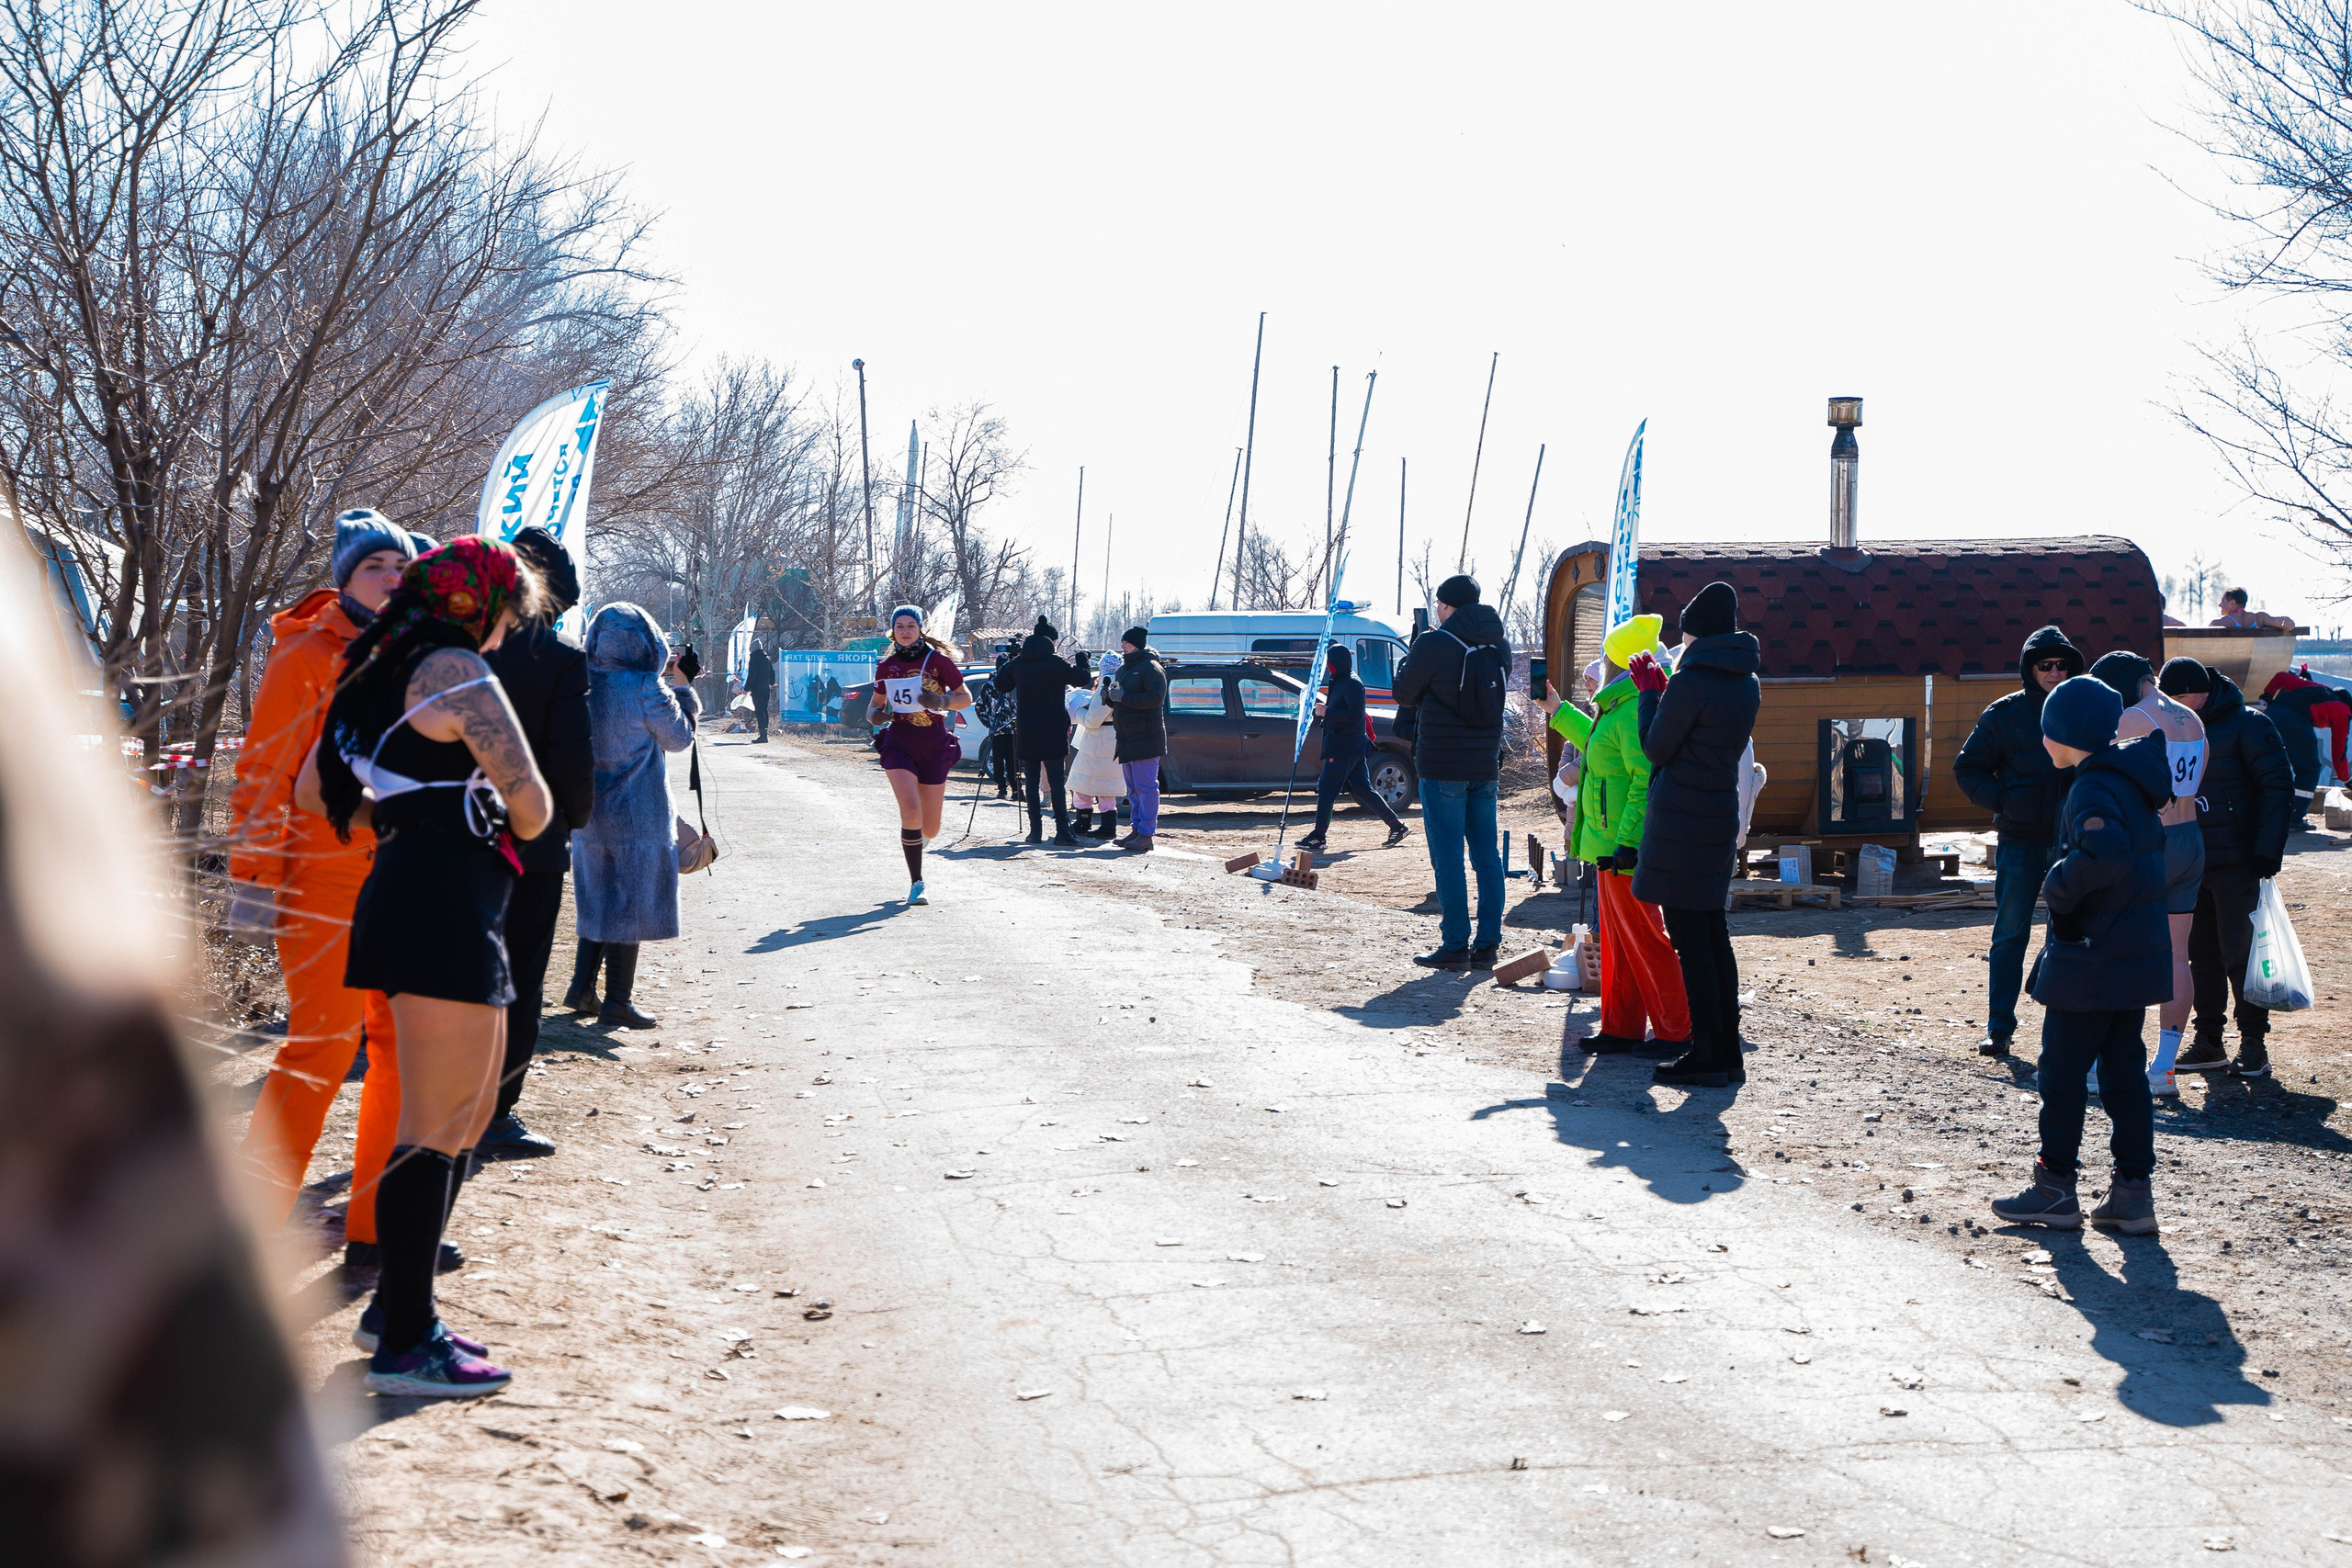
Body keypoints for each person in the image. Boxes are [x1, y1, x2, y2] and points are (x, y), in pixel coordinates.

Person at [299, 536, 554, 1396]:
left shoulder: (372, 672)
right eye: (507, 619)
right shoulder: (453, 671)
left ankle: (399, 1309)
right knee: (441, 1119)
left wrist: (407, 814)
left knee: (462, 1109)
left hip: (417, 891)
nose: (503, 637)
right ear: (479, 604)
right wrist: (450, 815)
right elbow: (534, 808)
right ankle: (407, 1336)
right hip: (444, 901)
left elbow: (312, 793)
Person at [226, 509, 421, 1267]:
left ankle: (375, 1229)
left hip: (401, 880)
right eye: (377, 566)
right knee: (320, 1052)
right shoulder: (305, 654)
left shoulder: (418, 654)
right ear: (345, 577)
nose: (392, 578)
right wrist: (253, 877)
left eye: (402, 567)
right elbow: (266, 774)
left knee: (400, 1053)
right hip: (322, 885)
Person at [1989, 675, 2170, 1235]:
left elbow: (2106, 856)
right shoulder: (2127, 779)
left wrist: (2056, 884)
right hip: (2132, 951)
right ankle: (2132, 1195)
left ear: (2066, 734)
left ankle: (2055, 1187)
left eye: (2049, 727)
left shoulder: (2093, 787)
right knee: (2124, 1074)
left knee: (2062, 1074)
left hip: (2092, 954)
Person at [477, 526, 594, 1160]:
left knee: (459, 975)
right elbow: (573, 762)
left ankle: (447, 1111)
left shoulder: (458, 648)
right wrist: (569, 820)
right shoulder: (560, 659)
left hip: (455, 834)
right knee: (520, 975)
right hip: (535, 841)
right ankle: (496, 1115)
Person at [1631, 581, 1762, 1087]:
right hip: (1716, 817)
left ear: (1696, 634)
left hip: (1681, 822)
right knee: (1712, 937)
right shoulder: (1744, 681)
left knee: (1691, 943)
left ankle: (1706, 1055)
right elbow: (1699, 737)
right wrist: (1667, 694)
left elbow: (1657, 748)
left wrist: (1650, 697)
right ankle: (1727, 1054)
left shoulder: (1692, 681)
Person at [1544, 616, 1690, 1055]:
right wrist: (1557, 709)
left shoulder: (1629, 709)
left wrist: (1627, 842)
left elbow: (1645, 780)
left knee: (1645, 938)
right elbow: (1597, 744)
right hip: (1611, 845)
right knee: (1620, 941)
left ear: (1613, 662)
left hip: (1622, 848)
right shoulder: (1622, 705)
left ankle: (1675, 1029)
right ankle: (1621, 1027)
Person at [563, 606, 701, 1024]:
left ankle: (581, 987)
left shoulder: (578, 682)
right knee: (632, 904)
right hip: (638, 815)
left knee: (598, 898)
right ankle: (618, 1001)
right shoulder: (645, 686)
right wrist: (683, 688)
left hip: (589, 812)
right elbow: (679, 739)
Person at [1951, 626, 2085, 1057]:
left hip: (2073, 844)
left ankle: (2061, 1034)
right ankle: (1999, 1028)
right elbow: (1967, 769)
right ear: (2030, 667)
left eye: (2062, 664)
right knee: (2010, 935)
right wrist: (2005, 802)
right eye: (2045, 664)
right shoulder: (2003, 714)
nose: (2054, 672)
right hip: (2020, 841)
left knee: (2068, 937)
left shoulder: (2085, 711)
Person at [2162, 660, 2295, 1078]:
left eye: (2186, 697)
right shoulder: (2170, 727)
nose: (2181, 706)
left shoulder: (2248, 725)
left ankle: (2254, 1043)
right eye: (2173, 699)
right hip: (2189, 861)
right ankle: (2209, 1041)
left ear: (2205, 690)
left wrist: (2266, 851)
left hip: (2237, 860)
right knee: (2199, 956)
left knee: (2242, 954)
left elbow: (2278, 786)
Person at [2090, 651, 2204, 1100]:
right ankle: (2165, 1068)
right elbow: (2194, 786)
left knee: (2119, 947)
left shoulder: (2130, 721)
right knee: (2178, 955)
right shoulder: (2193, 720)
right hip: (2191, 839)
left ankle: (2107, 1065)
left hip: (2151, 843)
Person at [1391, 574, 1510, 968]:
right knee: (1487, 857)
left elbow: (1403, 692)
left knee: (1448, 858)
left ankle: (1456, 944)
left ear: (1445, 606)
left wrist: (1414, 652)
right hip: (1485, 766)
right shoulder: (1499, 645)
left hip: (1442, 767)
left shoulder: (1433, 643)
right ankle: (1488, 944)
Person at [865, 605, 973, 902]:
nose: (905, 631)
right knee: (910, 811)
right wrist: (876, 716)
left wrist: (939, 700)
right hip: (899, 742)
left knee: (932, 828)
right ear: (893, 631)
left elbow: (965, 698)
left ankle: (920, 836)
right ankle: (917, 883)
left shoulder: (938, 662)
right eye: (899, 626)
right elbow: (874, 705)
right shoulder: (887, 665)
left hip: (934, 743)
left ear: (920, 629)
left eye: (910, 625)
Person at [1297, 643, 1408, 852]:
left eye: (1329, 664)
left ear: (1336, 664)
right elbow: (1340, 711)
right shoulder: (1340, 680)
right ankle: (1397, 826)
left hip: (1345, 747)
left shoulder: (1352, 684)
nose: (1328, 668)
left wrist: (1327, 713)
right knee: (1363, 789)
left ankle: (1319, 836)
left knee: (1326, 789)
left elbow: (1355, 716)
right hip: (1349, 745)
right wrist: (1322, 717)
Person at [1004, 616, 1090, 845]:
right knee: (1056, 780)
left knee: (1031, 780)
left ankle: (1035, 832)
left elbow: (1001, 685)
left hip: (1027, 729)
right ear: (1052, 640)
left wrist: (1008, 661)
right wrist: (1082, 660)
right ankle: (1063, 831)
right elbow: (1082, 679)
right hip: (1053, 728)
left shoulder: (1018, 663)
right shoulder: (1057, 663)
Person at [2259, 666, 2349, 822]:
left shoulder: (2315, 687)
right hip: (2294, 721)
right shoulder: (2343, 711)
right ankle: (2295, 816)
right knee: (2310, 769)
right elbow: (2339, 750)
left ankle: (2270, 812)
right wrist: (2347, 779)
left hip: (2271, 714)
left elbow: (2281, 676)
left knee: (2273, 764)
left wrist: (2267, 696)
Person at [1107, 627, 1168, 852]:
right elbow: (1123, 700)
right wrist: (1111, 697)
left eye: (1127, 643)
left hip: (1146, 736)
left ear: (1138, 645)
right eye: (1122, 642)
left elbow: (1155, 698)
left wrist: (1124, 697)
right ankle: (1137, 829)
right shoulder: (1124, 669)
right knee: (1132, 788)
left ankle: (1146, 834)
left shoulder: (1151, 668)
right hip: (1127, 737)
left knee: (1146, 787)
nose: (1123, 645)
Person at [1067, 652, 1125, 840]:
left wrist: (1077, 714)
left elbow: (1093, 720)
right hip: (1113, 737)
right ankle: (1109, 825)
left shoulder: (1106, 683)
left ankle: (1083, 822)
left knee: (1083, 782)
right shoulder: (1122, 682)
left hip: (1098, 740)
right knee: (1107, 784)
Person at [2210, 588, 2294, 630]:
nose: (2220, 605)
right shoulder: (2260, 618)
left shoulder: (2219, 623)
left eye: (2223, 601)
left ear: (2232, 603)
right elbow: (2290, 624)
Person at [745, 635, 775, 742]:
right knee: (765, 710)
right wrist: (771, 683)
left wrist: (746, 688)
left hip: (757, 688)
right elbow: (772, 672)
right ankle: (764, 733)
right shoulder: (767, 658)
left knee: (759, 710)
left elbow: (752, 675)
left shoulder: (754, 659)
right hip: (766, 688)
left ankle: (763, 736)